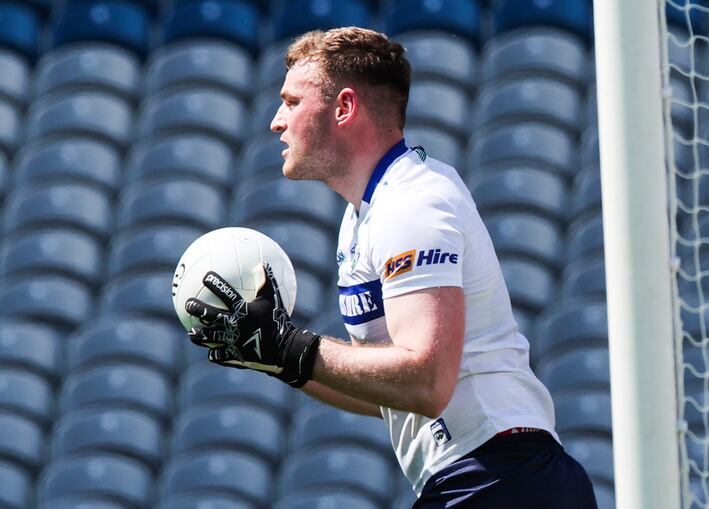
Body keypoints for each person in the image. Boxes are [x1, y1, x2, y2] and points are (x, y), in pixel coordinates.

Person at [184, 26, 598, 508]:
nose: (277, 121)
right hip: (482, 478)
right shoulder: (364, 216)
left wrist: (290, 344)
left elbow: (427, 381)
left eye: (292, 102)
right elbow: (393, 396)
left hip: (504, 475)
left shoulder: (412, 203)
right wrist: (278, 358)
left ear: (343, 107)